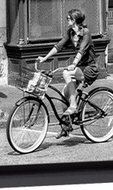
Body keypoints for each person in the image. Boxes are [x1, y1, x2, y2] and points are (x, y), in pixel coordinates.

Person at [37, 8, 99, 137]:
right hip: (79, 68)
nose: (67, 20)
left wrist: (73, 64)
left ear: (74, 20)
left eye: (68, 18)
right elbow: (58, 46)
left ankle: (74, 105)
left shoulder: (86, 33)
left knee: (66, 73)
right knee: (64, 94)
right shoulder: (70, 32)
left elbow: (82, 51)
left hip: (90, 68)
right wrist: (45, 58)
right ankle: (66, 126)